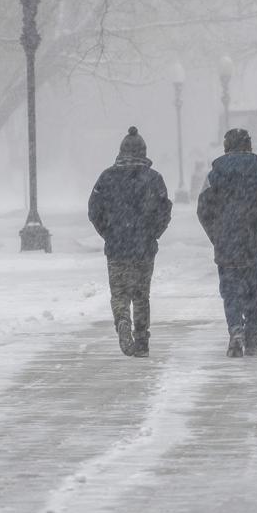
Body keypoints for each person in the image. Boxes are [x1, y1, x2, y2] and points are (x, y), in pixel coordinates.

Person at [197, 128, 257, 357]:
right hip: (254, 241)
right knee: (253, 290)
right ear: (249, 146)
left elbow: (202, 209)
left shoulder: (214, 174)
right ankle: (252, 338)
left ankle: (235, 329)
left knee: (230, 290)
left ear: (226, 146)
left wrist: (216, 234)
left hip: (227, 243)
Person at [88, 126, 173, 357]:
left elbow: (94, 210)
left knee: (119, 293)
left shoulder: (106, 177)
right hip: (144, 247)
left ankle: (122, 321)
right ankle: (142, 339)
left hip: (116, 246)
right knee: (141, 294)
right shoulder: (154, 179)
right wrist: (153, 233)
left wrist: (109, 232)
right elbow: (165, 210)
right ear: (144, 152)